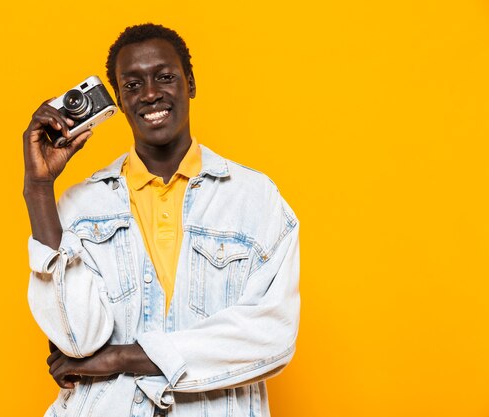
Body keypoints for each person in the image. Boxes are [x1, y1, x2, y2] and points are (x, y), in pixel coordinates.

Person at [23, 23, 300, 417]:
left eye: (164, 77)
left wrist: (123, 358)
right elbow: (77, 339)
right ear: (117, 99)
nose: (150, 93)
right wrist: (38, 189)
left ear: (190, 83)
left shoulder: (255, 200)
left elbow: (272, 336)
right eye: (132, 85)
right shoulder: (81, 206)